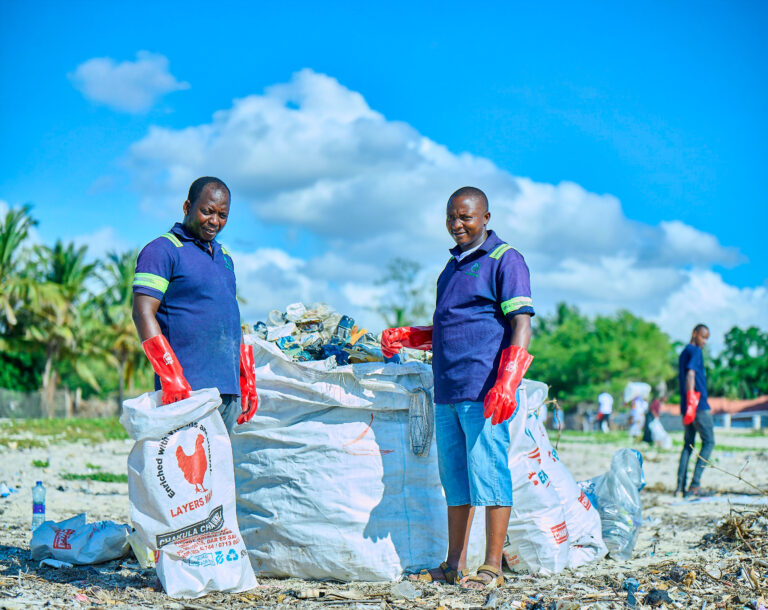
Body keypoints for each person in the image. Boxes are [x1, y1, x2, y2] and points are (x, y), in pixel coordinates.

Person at [381, 187, 534, 591]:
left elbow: (520, 323)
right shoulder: (449, 270)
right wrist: (411, 336)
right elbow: (451, 327)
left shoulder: (505, 260)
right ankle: (453, 565)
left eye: (465, 217)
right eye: (451, 217)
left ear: (485, 217)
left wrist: (508, 381)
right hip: (447, 389)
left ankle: (492, 567)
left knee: (490, 473)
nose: (457, 224)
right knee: (455, 480)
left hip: (485, 389)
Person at [132, 176, 258, 427]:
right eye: (207, 211)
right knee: (186, 466)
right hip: (187, 392)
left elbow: (231, 316)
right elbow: (142, 313)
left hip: (228, 392)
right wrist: (170, 375)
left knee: (222, 466)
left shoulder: (224, 256)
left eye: (223, 215)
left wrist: (246, 377)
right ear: (187, 207)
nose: (215, 221)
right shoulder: (162, 250)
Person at [676, 324, 715, 497]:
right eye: (703, 337)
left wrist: (688, 404)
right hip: (698, 405)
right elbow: (691, 374)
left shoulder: (683, 352)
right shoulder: (695, 351)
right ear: (694, 334)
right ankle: (694, 485)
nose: (704, 341)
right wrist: (693, 400)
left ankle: (679, 487)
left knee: (688, 446)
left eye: (707, 338)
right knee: (709, 442)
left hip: (687, 406)